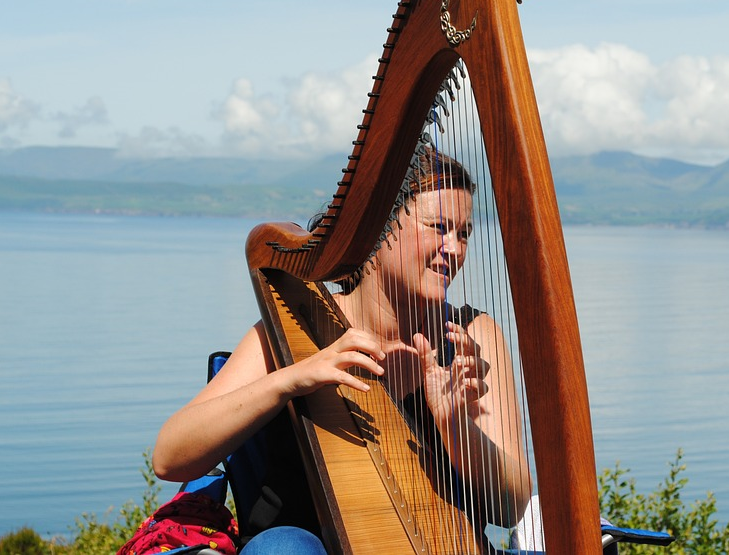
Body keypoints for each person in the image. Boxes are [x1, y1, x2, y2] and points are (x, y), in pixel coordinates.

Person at [150, 147, 531, 553]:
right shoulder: (292, 328)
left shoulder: (471, 336)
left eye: (464, 233)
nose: (454, 249)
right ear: (378, 230)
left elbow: (510, 508)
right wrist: (290, 380)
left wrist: (458, 428)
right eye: (439, 226)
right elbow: (170, 458)